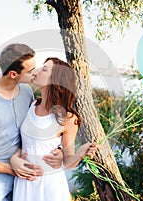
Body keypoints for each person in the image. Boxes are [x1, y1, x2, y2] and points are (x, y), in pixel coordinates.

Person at [0, 44, 63, 201]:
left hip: (22, 178)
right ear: (14, 74)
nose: (35, 72)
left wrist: (60, 149)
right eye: (30, 71)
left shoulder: (27, 91)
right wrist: (11, 168)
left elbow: (38, 128)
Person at [12, 57, 98, 201]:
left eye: (44, 69)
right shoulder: (31, 105)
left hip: (49, 184)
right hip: (25, 182)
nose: (37, 70)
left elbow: (68, 162)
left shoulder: (68, 119)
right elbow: (25, 143)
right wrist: (14, 159)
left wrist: (80, 154)